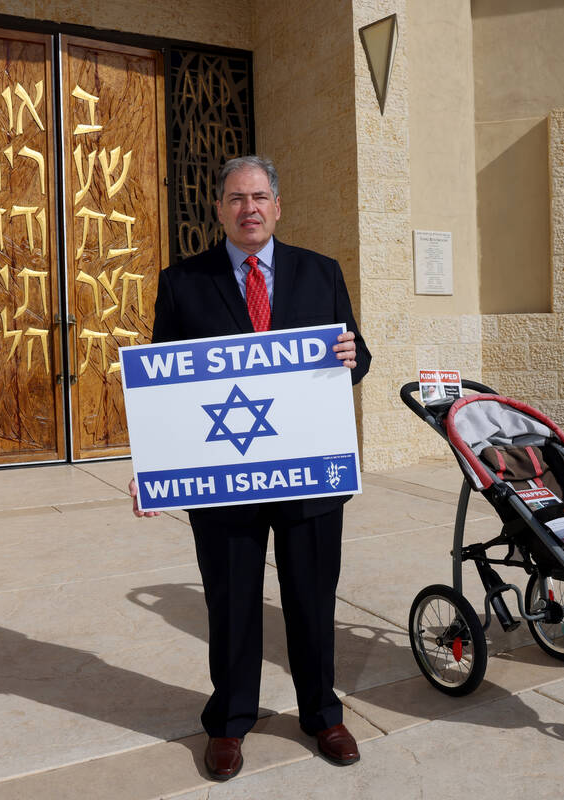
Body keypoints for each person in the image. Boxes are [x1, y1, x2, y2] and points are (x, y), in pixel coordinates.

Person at [129, 155, 371, 781]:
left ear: (278, 205)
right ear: (219, 209)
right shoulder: (183, 282)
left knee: (312, 602)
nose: (249, 208)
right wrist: (152, 464)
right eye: (236, 198)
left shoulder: (322, 273)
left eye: (260, 196)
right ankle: (229, 722)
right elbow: (164, 385)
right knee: (230, 604)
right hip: (226, 482)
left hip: (308, 480)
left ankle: (322, 713)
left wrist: (352, 353)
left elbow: (357, 355)